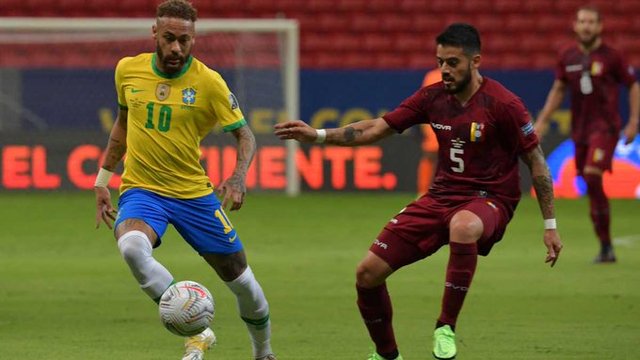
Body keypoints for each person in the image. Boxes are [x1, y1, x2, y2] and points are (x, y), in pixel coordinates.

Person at [275, 23, 563, 360]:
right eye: (440, 61)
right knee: (366, 273)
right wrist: (319, 136)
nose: (444, 69)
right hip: (440, 196)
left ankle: (445, 327)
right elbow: (377, 128)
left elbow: (537, 163)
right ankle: (386, 353)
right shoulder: (432, 97)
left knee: (464, 226)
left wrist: (550, 225)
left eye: (453, 62)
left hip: (489, 198)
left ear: (476, 61)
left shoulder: (504, 104)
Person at [93, 1, 276, 359]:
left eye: (185, 40)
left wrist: (237, 179)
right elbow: (123, 123)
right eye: (169, 38)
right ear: (155, 35)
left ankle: (263, 351)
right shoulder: (127, 70)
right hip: (143, 190)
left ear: (194, 39)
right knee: (131, 246)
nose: (176, 48)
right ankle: (197, 324)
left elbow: (246, 136)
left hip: (194, 195)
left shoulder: (209, 82)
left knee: (242, 282)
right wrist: (103, 179)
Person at [534, 5, 639, 263]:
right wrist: (542, 122)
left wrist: (634, 121)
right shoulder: (567, 55)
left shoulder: (612, 56)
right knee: (591, 185)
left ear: (600, 26)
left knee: (592, 175)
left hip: (605, 128)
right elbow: (559, 89)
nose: (586, 26)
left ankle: (605, 245)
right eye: (582, 21)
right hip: (579, 131)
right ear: (575, 25)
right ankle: (605, 246)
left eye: (591, 22)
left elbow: (632, 85)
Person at [417, 68, 442, 195]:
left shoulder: (463, 75)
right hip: (434, 120)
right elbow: (424, 101)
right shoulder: (432, 76)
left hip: (456, 120)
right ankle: (423, 193)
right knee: (430, 155)